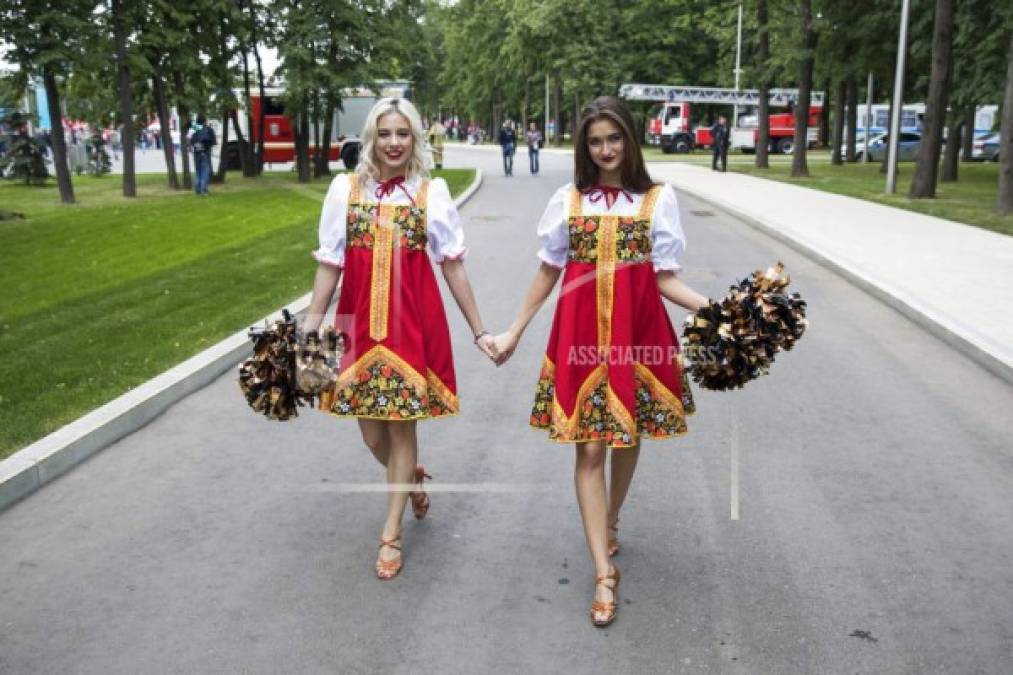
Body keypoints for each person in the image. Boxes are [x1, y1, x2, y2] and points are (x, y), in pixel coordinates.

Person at [489, 96, 710, 627]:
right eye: (595, 141)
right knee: (589, 450)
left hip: (637, 335)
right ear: (585, 148)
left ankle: (610, 516)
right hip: (580, 336)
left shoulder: (656, 200)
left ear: (630, 140)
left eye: (614, 138)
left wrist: (722, 309)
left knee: (625, 437)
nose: (606, 149)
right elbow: (548, 271)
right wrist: (514, 331)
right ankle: (602, 572)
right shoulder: (569, 202)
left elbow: (664, 277)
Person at [302, 98, 495, 581]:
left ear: (416, 139)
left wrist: (479, 330)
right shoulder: (345, 190)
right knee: (371, 434)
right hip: (357, 324)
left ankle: (391, 533)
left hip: (412, 324)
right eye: (385, 133)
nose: (393, 143)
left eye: (403, 134)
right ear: (372, 138)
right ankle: (409, 480)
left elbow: (452, 264)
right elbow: (331, 263)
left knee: (401, 424)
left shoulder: (431, 193)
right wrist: (310, 327)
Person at [190, 114, 216, 195]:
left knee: (198, 171)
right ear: (205, 120)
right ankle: (203, 190)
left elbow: (189, 139)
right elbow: (212, 141)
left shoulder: (193, 128)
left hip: (196, 152)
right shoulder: (208, 129)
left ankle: (197, 189)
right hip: (205, 152)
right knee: (205, 171)